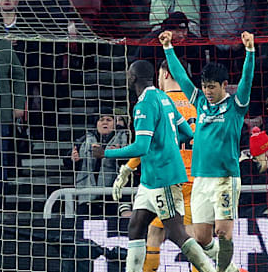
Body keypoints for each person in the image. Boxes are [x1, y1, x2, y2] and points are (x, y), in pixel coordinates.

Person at [158, 30, 255, 272]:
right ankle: (233, 271)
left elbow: (247, 80)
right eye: (205, 87)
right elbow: (180, 76)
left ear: (223, 85)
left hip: (225, 178)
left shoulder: (236, 105)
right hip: (200, 178)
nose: (208, 91)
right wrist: (168, 48)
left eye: (212, 87)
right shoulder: (200, 101)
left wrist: (250, 52)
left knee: (222, 232)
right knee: (201, 237)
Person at [104, 59, 214, 272]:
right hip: (189, 176)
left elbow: (143, 145)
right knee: (142, 228)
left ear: (164, 74)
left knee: (180, 234)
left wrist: (117, 160)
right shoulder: (193, 101)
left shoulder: (148, 102)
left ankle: (216, 268)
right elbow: (190, 134)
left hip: (169, 176)